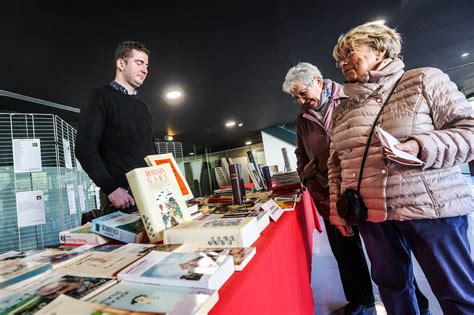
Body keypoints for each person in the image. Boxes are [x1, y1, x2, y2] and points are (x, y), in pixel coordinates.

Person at [329, 22, 474, 315]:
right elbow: (336, 165)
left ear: (380, 49)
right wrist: (336, 210)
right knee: (393, 290)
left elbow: (469, 130)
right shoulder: (343, 107)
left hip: (430, 208)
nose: (342, 62)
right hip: (372, 216)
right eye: (338, 59)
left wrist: (420, 146)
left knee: (455, 291)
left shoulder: (423, 80)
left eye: (349, 53)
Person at [283, 62, 430, 315]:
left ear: (318, 81)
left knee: (387, 256)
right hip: (328, 195)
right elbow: (300, 153)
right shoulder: (302, 120)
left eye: (302, 93)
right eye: (295, 97)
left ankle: (416, 304)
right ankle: (361, 301)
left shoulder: (351, 97)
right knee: (345, 254)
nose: (300, 100)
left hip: (363, 190)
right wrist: (305, 178)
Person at [76, 41, 155, 215]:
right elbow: (84, 148)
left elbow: (151, 151)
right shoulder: (100, 97)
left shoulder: (143, 107)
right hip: (122, 199)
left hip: (150, 193)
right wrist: (111, 188)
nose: (145, 70)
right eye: (139, 63)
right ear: (121, 63)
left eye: (147, 65)